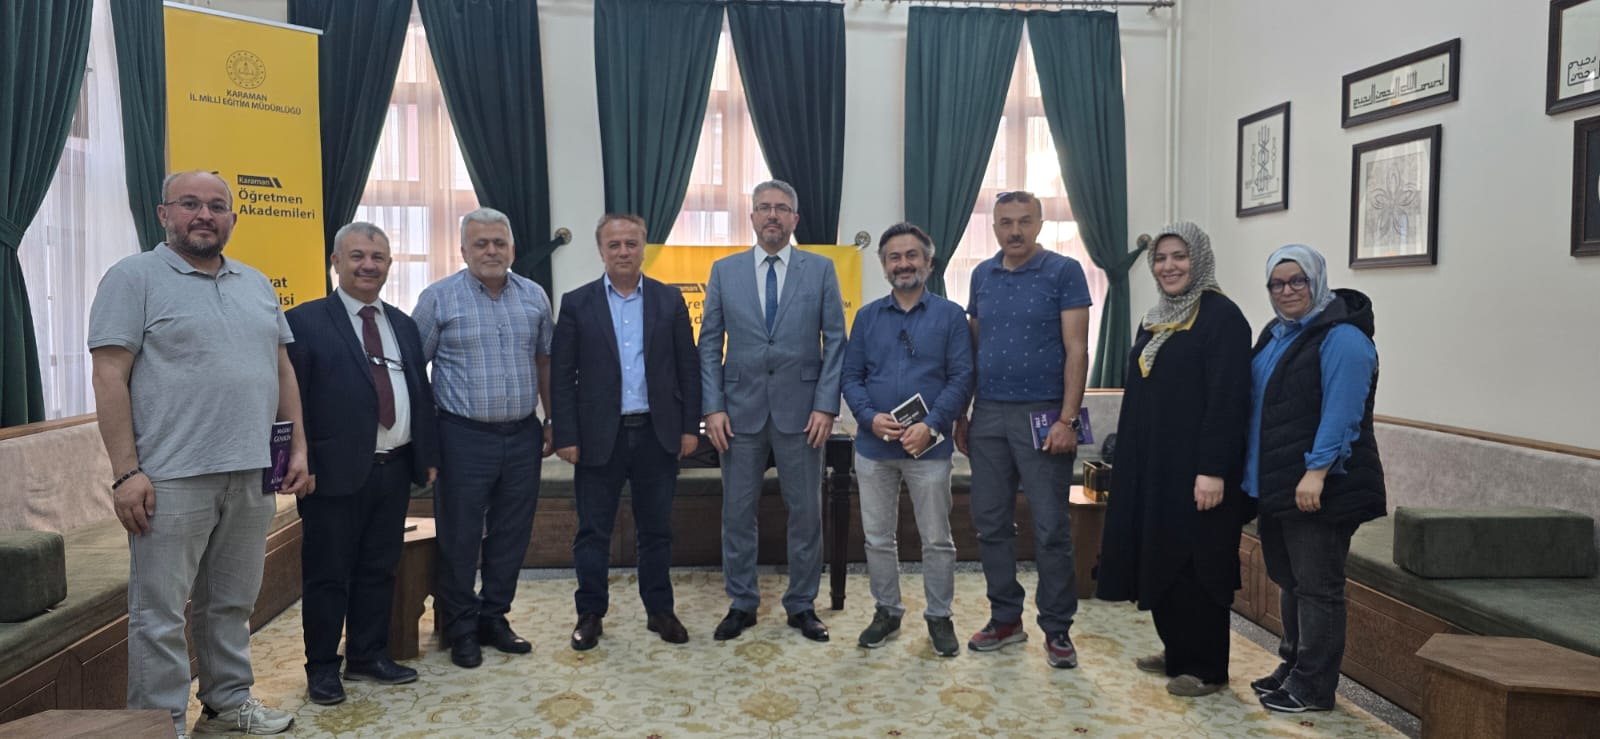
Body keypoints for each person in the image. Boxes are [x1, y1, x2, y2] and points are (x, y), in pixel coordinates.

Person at [88, 170, 307, 737]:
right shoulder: (132, 277)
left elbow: (282, 369)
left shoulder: (256, 283)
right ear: (164, 214)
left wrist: (297, 446)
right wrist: (126, 473)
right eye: (189, 203)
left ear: (233, 217)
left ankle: (228, 702)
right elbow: (109, 375)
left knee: (232, 602)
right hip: (170, 478)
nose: (204, 215)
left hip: (253, 472)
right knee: (159, 616)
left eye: (216, 206)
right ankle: (161, 724)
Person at [1094, 222, 1252, 697]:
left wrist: (1213, 470)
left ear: (1199, 259)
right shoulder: (1155, 318)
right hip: (1155, 469)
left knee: (1197, 565)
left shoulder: (1222, 317)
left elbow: (1228, 400)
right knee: (1160, 555)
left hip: (1199, 471)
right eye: (1160, 258)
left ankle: (1207, 668)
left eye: (1179, 256)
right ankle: (1178, 651)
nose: (1169, 267)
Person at [284, 222, 439, 705]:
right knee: (328, 575)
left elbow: (419, 392)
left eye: (377, 257)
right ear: (335, 262)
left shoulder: (403, 325)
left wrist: (426, 455)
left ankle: (368, 655)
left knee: (379, 568)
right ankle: (322, 668)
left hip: (394, 469)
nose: (368, 265)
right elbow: (288, 400)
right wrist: (297, 461)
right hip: (329, 475)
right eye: (357, 256)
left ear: (389, 265)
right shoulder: (303, 322)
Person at [698, 179, 846, 643]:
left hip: (803, 414)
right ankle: (742, 602)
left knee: (805, 513)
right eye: (764, 207)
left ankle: (802, 605)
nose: (773, 215)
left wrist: (826, 405)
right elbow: (709, 345)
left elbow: (836, 341)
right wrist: (712, 407)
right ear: (752, 216)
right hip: (738, 413)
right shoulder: (725, 271)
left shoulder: (820, 270)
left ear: (795, 219)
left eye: (782, 208)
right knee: (737, 513)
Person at [1245, 244, 1385, 713]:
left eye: (1297, 281)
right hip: (1281, 482)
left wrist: (1317, 472)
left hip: (1324, 485)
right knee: (1291, 581)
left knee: (1319, 587)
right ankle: (1293, 666)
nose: (1286, 291)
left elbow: (1342, 414)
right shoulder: (1277, 333)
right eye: (1277, 283)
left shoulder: (1343, 338)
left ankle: (1314, 685)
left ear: (1317, 280)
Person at [954, 189, 1091, 668]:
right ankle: (1005, 618)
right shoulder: (982, 275)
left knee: (1051, 527)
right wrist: (963, 413)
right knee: (990, 522)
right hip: (989, 413)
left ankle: (1057, 627)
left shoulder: (1064, 271)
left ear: (1039, 224)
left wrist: (1067, 419)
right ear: (994, 227)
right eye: (1005, 222)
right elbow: (973, 348)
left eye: (1024, 221)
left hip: (1045, 415)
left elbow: (1077, 350)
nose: (1015, 231)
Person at [551, 213, 701, 650]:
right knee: (593, 532)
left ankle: (660, 611)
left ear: (643, 248)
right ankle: (590, 614)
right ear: (601, 250)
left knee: (656, 530)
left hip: (657, 433)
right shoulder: (577, 303)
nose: (623, 252)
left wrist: (689, 428)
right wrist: (565, 435)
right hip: (599, 437)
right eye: (614, 245)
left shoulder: (669, 300)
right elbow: (562, 376)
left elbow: (688, 368)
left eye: (631, 244)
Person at [413, 207, 555, 669]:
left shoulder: (534, 296)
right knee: (460, 536)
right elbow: (414, 370)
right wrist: (425, 440)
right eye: (481, 243)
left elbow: (545, 361)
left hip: (522, 435)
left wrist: (552, 419)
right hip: (462, 437)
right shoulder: (438, 299)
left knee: (512, 534)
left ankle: (494, 617)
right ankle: (459, 627)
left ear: (512, 248)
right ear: (463, 250)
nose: (491, 251)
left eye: (499, 243)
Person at [840, 223, 972, 657]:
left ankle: (939, 616)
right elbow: (851, 376)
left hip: (928, 448)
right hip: (874, 447)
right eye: (894, 257)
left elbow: (961, 377)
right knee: (877, 538)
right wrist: (869, 418)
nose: (903, 264)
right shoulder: (867, 317)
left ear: (928, 263)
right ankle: (887, 611)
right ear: (883, 266)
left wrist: (931, 424)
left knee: (936, 539)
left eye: (911, 255)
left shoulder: (950, 316)